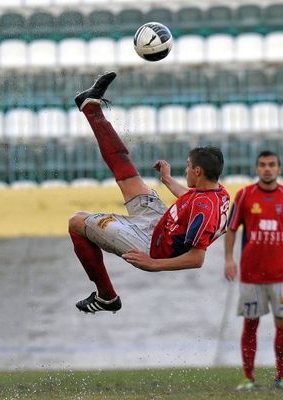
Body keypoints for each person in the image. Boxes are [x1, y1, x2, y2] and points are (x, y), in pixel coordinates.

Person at [69, 72, 230, 314]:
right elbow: (192, 198)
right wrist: (166, 180)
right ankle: (91, 107)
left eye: (187, 166)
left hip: (151, 246)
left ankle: (106, 297)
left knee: (76, 222)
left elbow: (197, 258)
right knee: (127, 176)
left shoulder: (204, 211)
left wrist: (154, 264)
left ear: (198, 171)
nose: (185, 169)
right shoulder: (218, 194)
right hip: (160, 223)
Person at [224, 150, 283, 391]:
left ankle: (282, 377)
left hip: (282, 275)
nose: (267, 169)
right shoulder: (245, 195)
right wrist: (228, 259)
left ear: (279, 169)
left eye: (271, 165)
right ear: (256, 168)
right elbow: (232, 228)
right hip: (251, 275)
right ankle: (248, 378)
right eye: (262, 165)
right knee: (250, 324)